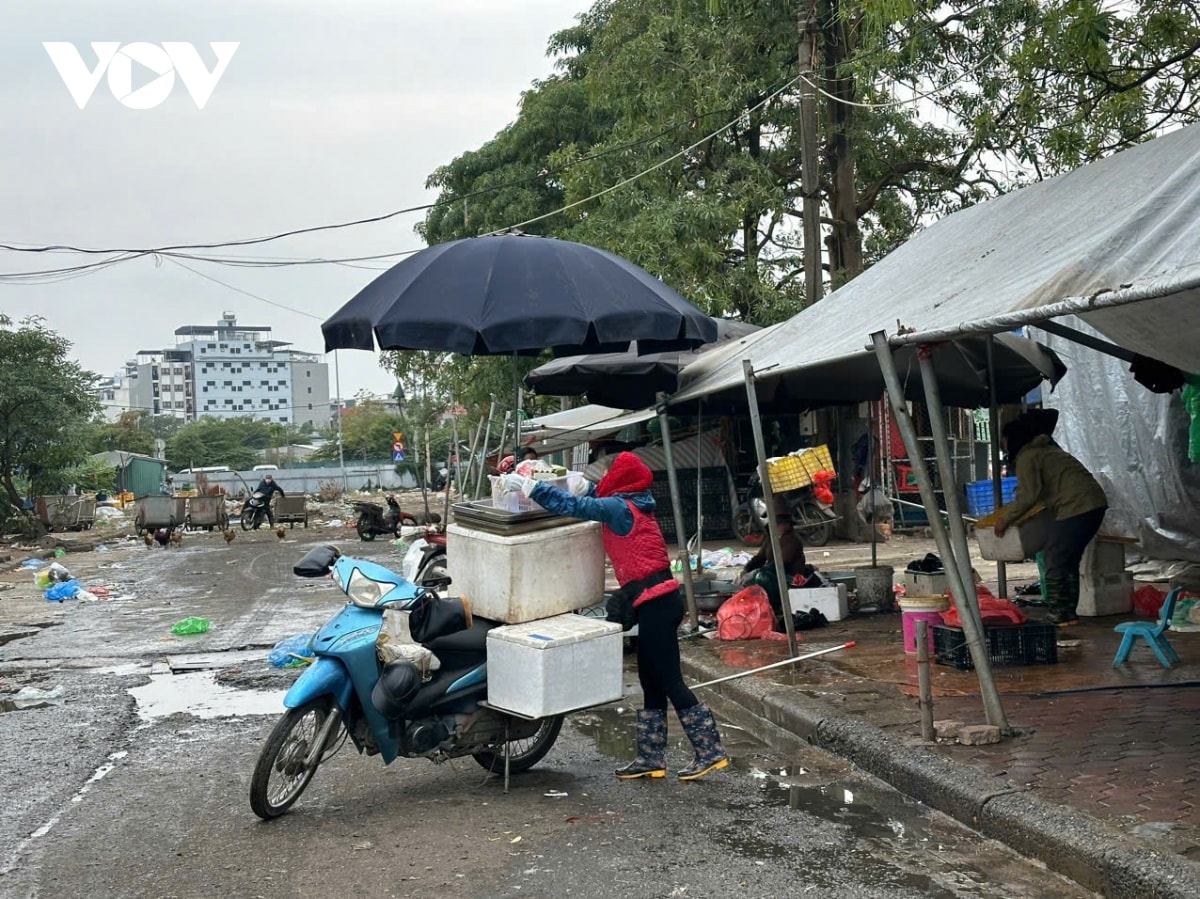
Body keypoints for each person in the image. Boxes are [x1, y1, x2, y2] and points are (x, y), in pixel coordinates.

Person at [500, 452, 729, 781]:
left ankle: (710, 751)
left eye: (607, 472)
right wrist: (583, 486)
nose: (603, 476)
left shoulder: (620, 508)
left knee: (669, 680)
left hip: (658, 604)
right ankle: (651, 759)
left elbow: (579, 508)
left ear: (620, 476)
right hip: (654, 602)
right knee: (651, 681)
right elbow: (596, 499)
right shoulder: (630, 502)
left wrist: (532, 487)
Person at [994, 412, 1107, 626]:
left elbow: (1028, 495)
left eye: (1005, 440)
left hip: (1077, 506)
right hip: (1092, 504)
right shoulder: (1047, 450)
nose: (1004, 445)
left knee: (1054, 557)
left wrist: (1005, 519)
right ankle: (1066, 613)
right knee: (1067, 559)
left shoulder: (1028, 456)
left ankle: (1059, 613)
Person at [739, 512, 807, 624]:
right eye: (779, 524)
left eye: (785, 524)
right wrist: (746, 570)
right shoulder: (771, 538)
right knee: (748, 583)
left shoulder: (792, 539)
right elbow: (760, 557)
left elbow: (783, 563)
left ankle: (775, 607)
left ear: (789, 524)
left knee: (762, 577)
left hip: (790, 577)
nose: (782, 527)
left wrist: (758, 571)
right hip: (771, 572)